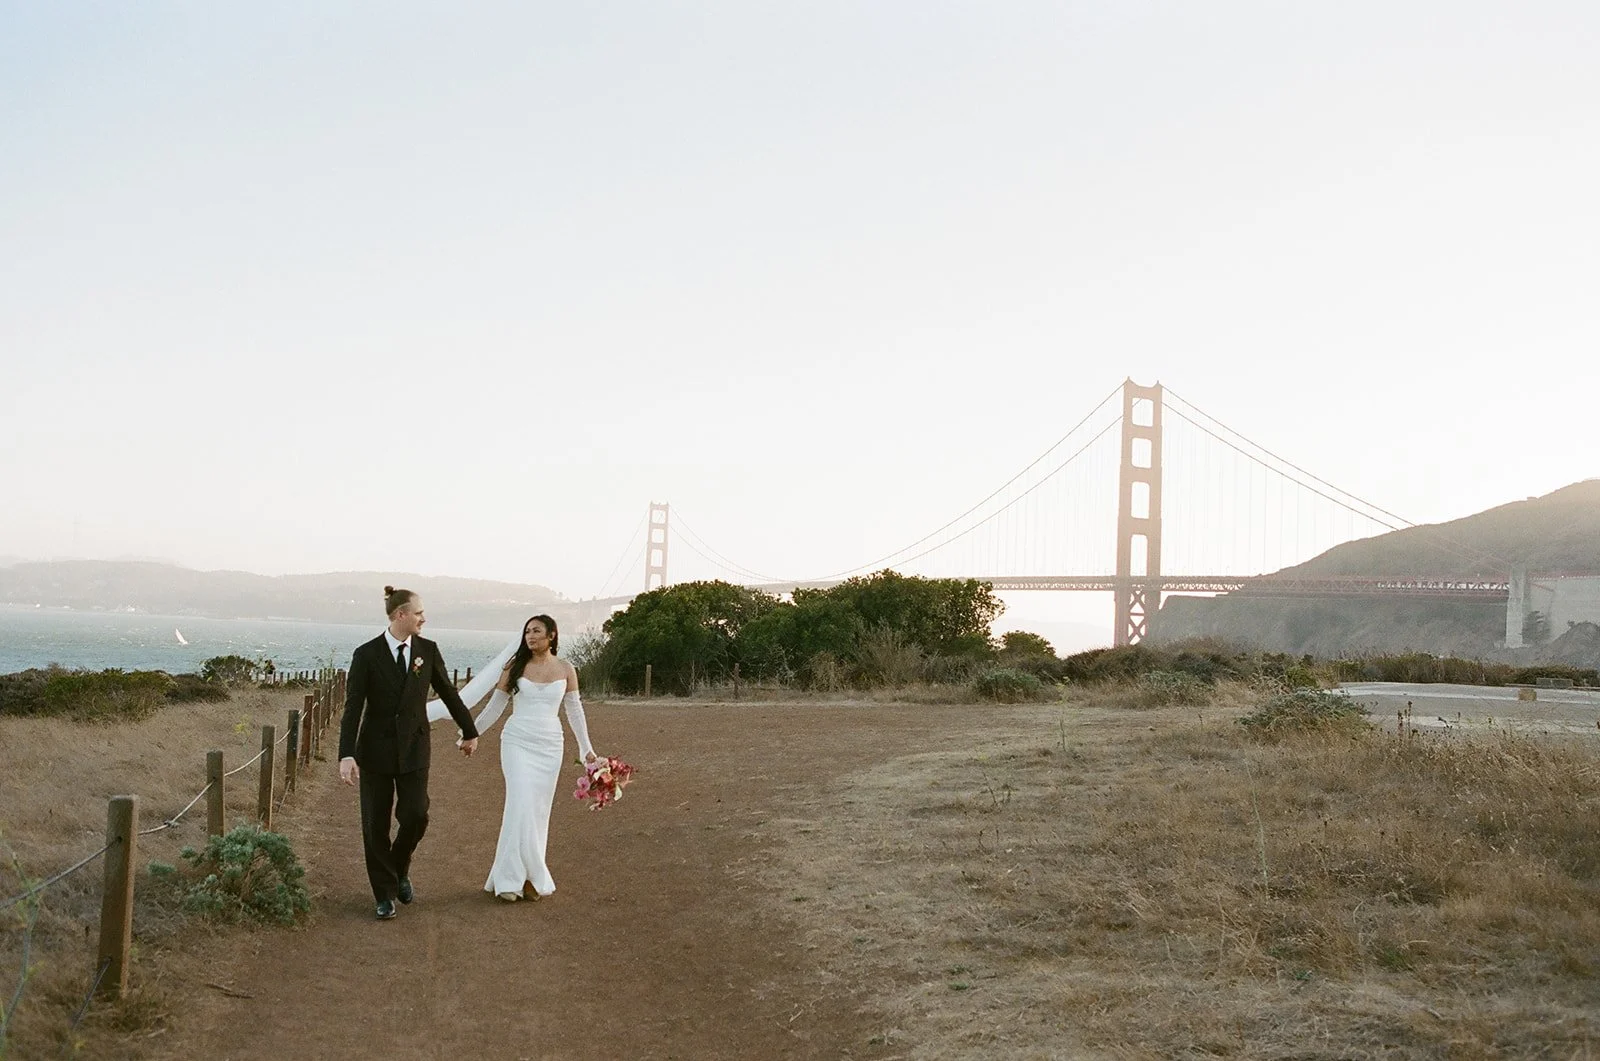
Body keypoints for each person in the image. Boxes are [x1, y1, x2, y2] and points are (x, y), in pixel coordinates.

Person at [338, 586, 480, 921]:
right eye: (418, 613)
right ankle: (384, 894)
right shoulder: (366, 654)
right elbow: (353, 707)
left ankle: (399, 867)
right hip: (374, 751)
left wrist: (469, 730)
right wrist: (347, 754)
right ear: (400, 614)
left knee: (417, 814)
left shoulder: (427, 651)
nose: (423, 618)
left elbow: (448, 692)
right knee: (375, 825)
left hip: (415, 748)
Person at [437, 613, 601, 902]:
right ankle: (510, 879)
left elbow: (575, 712)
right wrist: (471, 734)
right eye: (527, 632)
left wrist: (585, 749)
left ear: (552, 635)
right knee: (520, 803)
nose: (530, 636)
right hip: (517, 743)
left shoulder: (566, 669)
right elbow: (496, 706)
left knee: (538, 812)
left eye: (537, 631)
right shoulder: (515, 667)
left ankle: (528, 879)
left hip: (550, 746)